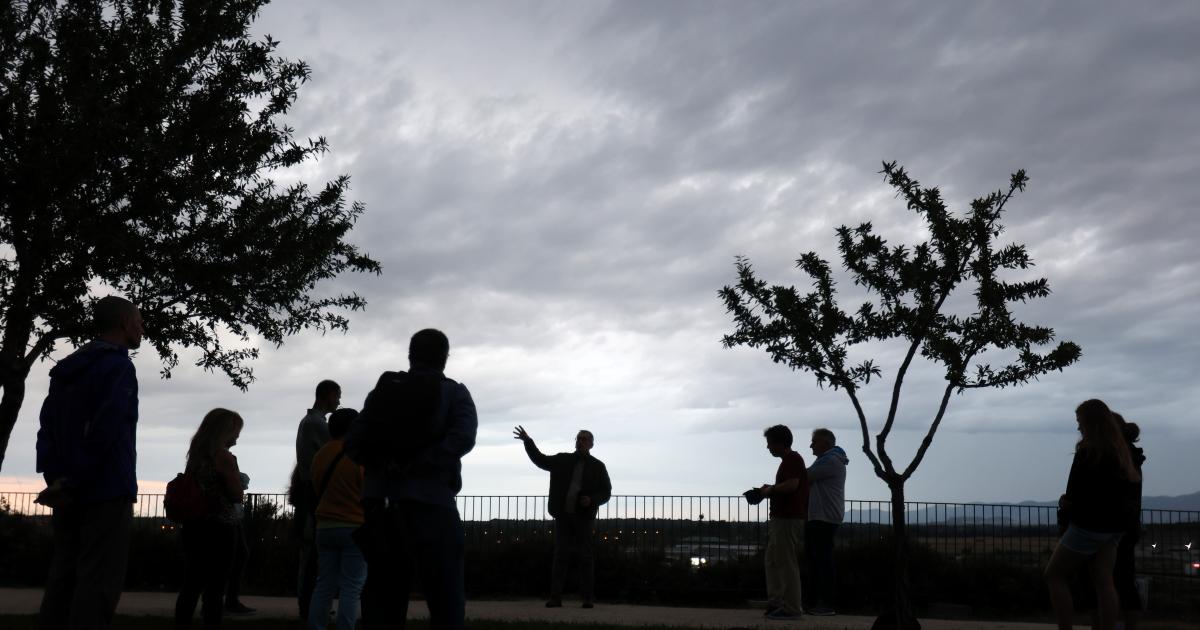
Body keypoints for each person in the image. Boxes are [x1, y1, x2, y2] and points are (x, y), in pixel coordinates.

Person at [344, 328, 477, 630]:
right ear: (445, 357)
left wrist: (384, 464)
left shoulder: (384, 391)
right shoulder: (454, 393)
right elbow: (463, 439)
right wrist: (420, 463)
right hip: (432, 503)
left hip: (381, 505)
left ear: (410, 354)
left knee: (382, 597)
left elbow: (353, 442)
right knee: (446, 596)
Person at [35, 295, 143, 630]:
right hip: (106, 488)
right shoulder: (119, 367)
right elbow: (107, 428)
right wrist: (78, 479)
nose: (142, 328)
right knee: (98, 582)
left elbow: (47, 425)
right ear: (125, 323)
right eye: (139, 320)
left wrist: (58, 479)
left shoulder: (67, 369)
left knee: (63, 577)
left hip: (66, 489)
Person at [1044, 399, 1141, 630]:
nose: (1078, 427)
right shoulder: (1121, 454)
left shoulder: (1088, 451)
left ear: (1090, 422)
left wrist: (1065, 504)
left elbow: (1074, 495)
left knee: (1054, 576)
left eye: (1080, 422)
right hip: (1114, 529)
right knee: (1104, 583)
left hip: (1087, 527)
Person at [513, 426, 612, 609]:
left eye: (584, 439)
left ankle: (587, 598)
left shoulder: (598, 467)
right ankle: (555, 598)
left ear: (591, 444)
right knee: (561, 557)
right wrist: (528, 441)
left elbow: (606, 492)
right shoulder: (562, 460)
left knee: (586, 558)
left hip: (584, 518)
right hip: (563, 517)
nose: (580, 441)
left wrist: (591, 500)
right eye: (578, 438)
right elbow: (540, 459)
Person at [173, 409, 246, 630]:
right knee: (215, 588)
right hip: (220, 527)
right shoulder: (224, 457)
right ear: (225, 431)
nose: (238, 436)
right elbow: (235, 494)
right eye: (236, 430)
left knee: (192, 584)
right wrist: (240, 482)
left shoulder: (196, 456)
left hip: (194, 525)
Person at [308, 408, 367, 630]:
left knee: (324, 584)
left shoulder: (320, 455)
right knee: (351, 586)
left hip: (324, 526)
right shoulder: (358, 454)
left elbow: (315, 487)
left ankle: (316, 626)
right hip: (354, 525)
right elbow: (367, 490)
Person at [294, 379, 341, 620]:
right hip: (314, 491)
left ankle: (311, 604)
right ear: (327, 395)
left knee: (312, 551)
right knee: (314, 554)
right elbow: (338, 448)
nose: (339, 401)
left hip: (308, 489)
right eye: (337, 396)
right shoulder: (318, 424)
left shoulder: (308, 422)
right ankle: (310, 606)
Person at [759, 424, 808, 621]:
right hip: (782, 518)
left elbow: (792, 485)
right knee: (773, 560)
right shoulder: (789, 460)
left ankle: (792, 608)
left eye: (770, 443)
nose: (768, 447)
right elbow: (789, 484)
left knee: (786, 563)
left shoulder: (793, 459)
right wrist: (770, 488)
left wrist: (770, 490)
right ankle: (777, 603)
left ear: (779, 443)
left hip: (788, 518)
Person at [805, 427, 848, 617]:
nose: (811, 445)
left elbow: (804, 477)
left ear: (826, 444)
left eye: (814, 441)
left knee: (822, 562)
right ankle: (816, 602)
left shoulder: (829, 461)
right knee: (818, 561)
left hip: (823, 517)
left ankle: (826, 603)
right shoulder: (829, 460)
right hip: (822, 516)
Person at [224, 471, 255, 616]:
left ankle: (224, 601)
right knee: (236, 556)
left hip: (228, 515)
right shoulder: (223, 457)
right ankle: (227, 601)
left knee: (236, 556)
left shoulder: (219, 456)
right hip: (226, 516)